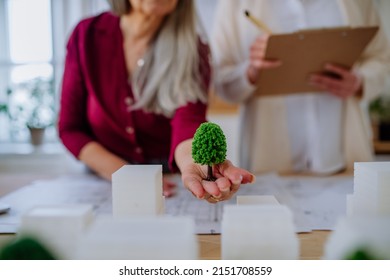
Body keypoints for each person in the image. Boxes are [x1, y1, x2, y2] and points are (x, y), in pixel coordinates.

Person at [58, 0, 254, 203]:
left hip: (167, 179)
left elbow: (188, 121)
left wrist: (197, 162)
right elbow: (70, 129)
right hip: (104, 175)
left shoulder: (192, 50)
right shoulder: (86, 35)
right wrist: (125, 174)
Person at [212, 0, 390, 175]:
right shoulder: (235, 4)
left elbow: (382, 59)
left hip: (344, 165)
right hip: (269, 167)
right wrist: (250, 72)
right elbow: (221, 81)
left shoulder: (360, 3)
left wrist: (360, 81)